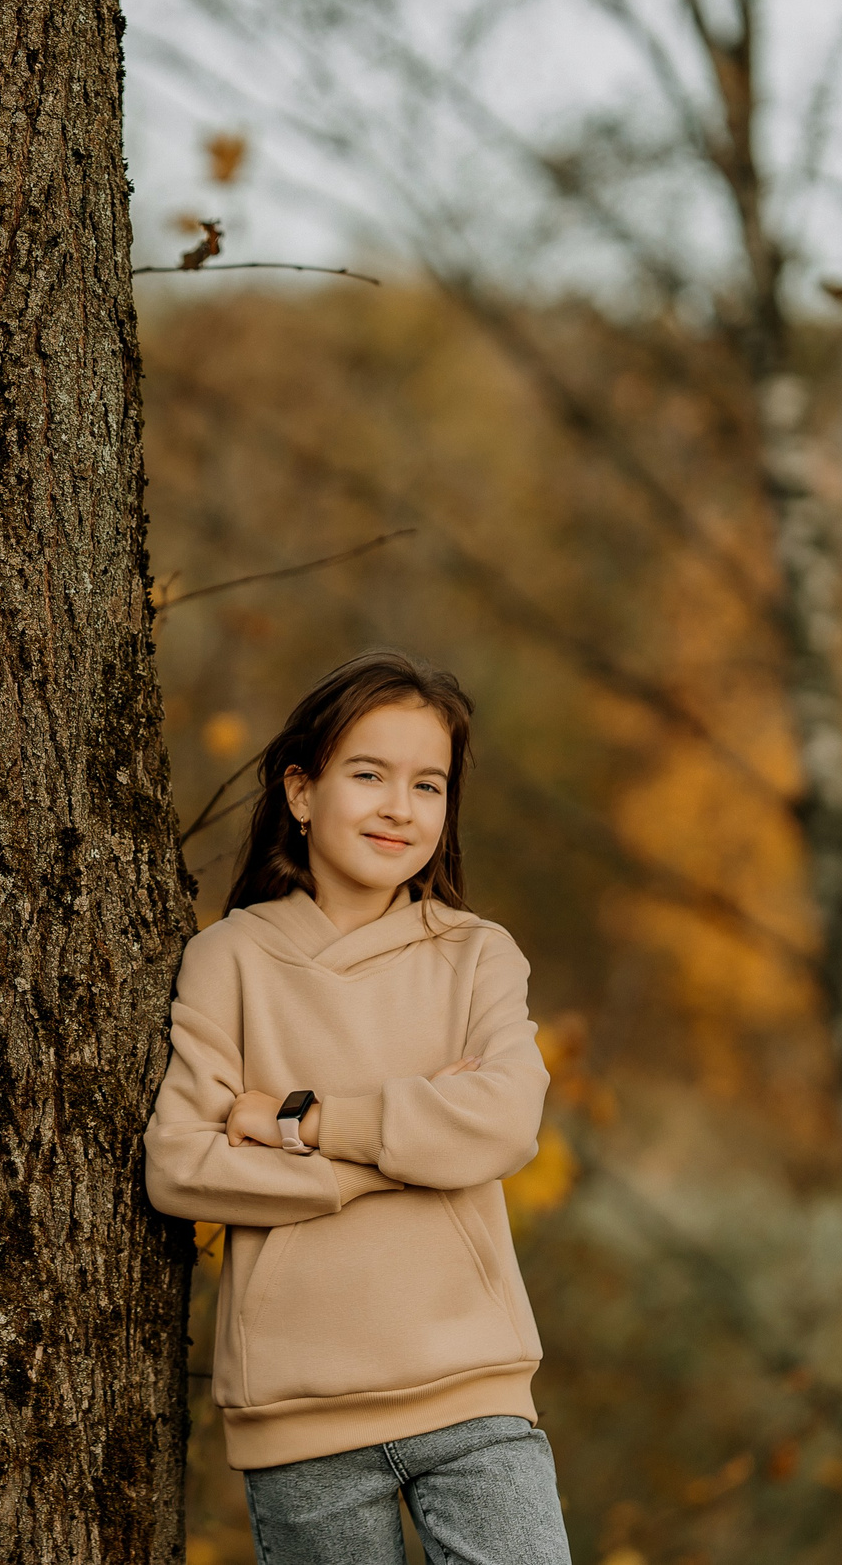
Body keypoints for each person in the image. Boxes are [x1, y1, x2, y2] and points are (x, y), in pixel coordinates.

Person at [145, 652, 571, 1565]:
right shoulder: (230, 959)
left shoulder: (477, 954)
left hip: (473, 1391)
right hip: (300, 1416)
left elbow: (501, 1122)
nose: (400, 807)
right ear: (302, 789)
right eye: (369, 774)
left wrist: (302, 1122)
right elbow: (181, 1162)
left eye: (429, 784)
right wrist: (409, 1148)